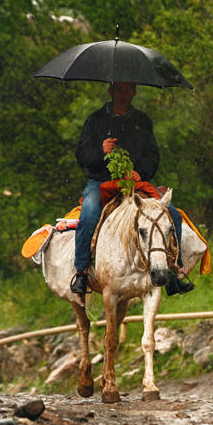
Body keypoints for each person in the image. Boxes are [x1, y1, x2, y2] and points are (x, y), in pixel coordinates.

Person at [71, 81, 185, 295]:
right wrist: (100, 151)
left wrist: (140, 172)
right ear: (110, 91)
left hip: (135, 183)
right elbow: (82, 156)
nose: (123, 95)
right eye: (119, 90)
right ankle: (81, 273)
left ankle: (174, 272)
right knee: (88, 215)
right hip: (101, 181)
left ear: (134, 92)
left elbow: (153, 157)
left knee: (173, 215)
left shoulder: (142, 121)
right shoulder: (95, 120)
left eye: (128, 90)